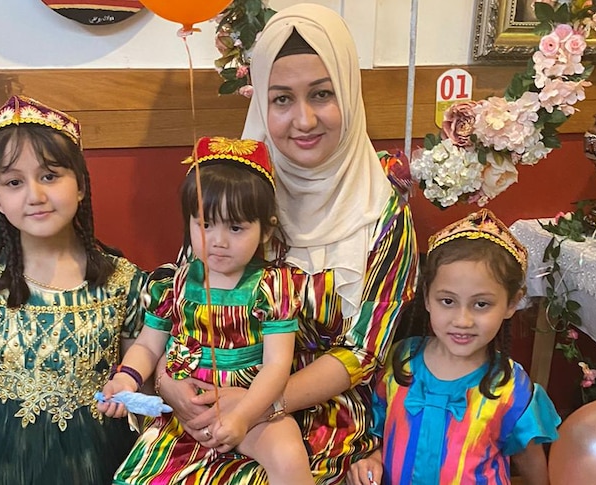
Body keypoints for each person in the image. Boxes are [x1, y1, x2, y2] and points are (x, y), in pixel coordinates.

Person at [156, 4, 420, 484]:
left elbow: (364, 351)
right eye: (281, 99)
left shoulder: (381, 211)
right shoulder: (237, 195)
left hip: (325, 420)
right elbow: (182, 302)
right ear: (261, 105)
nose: (303, 120)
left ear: (349, 93)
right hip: (213, 401)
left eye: (322, 94)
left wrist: (262, 403)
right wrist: (168, 385)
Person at [0, 95, 145, 485]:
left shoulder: (124, 283)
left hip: (98, 460)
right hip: (2, 462)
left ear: (80, 184)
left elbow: (140, 388)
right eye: (14, 182)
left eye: (50, 175)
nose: (35, 195)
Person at [100, 136, 314, 485]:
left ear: (266, 229)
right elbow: (148, 345)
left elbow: (277, 366)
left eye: (235, 227)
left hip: (253, 404)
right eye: (205, 224)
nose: (218, 240)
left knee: (289, 455)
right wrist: (127, 377)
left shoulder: (272, 289)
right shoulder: (173, 285)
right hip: (189, 410)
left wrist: (244, 416)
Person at [348, 209, 561, 485]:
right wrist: (373, 459)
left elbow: (531, 464)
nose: (463, 320)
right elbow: (378, 432)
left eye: (481, 304)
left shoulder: (511, 387)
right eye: (447, 301)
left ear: (512, 303)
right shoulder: (400, 360)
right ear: (426, 298)